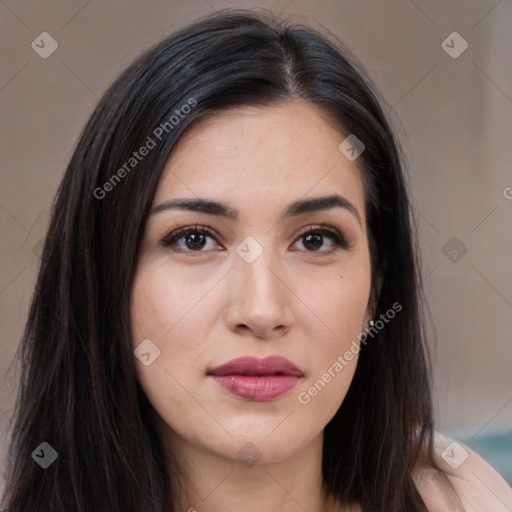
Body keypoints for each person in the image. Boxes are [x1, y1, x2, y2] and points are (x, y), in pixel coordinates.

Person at [2, 9, 511, 512]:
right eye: (196, 239)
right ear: (104, 276)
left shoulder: (463, 497)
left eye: (315, 240)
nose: (262, 309)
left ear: (377, 287)